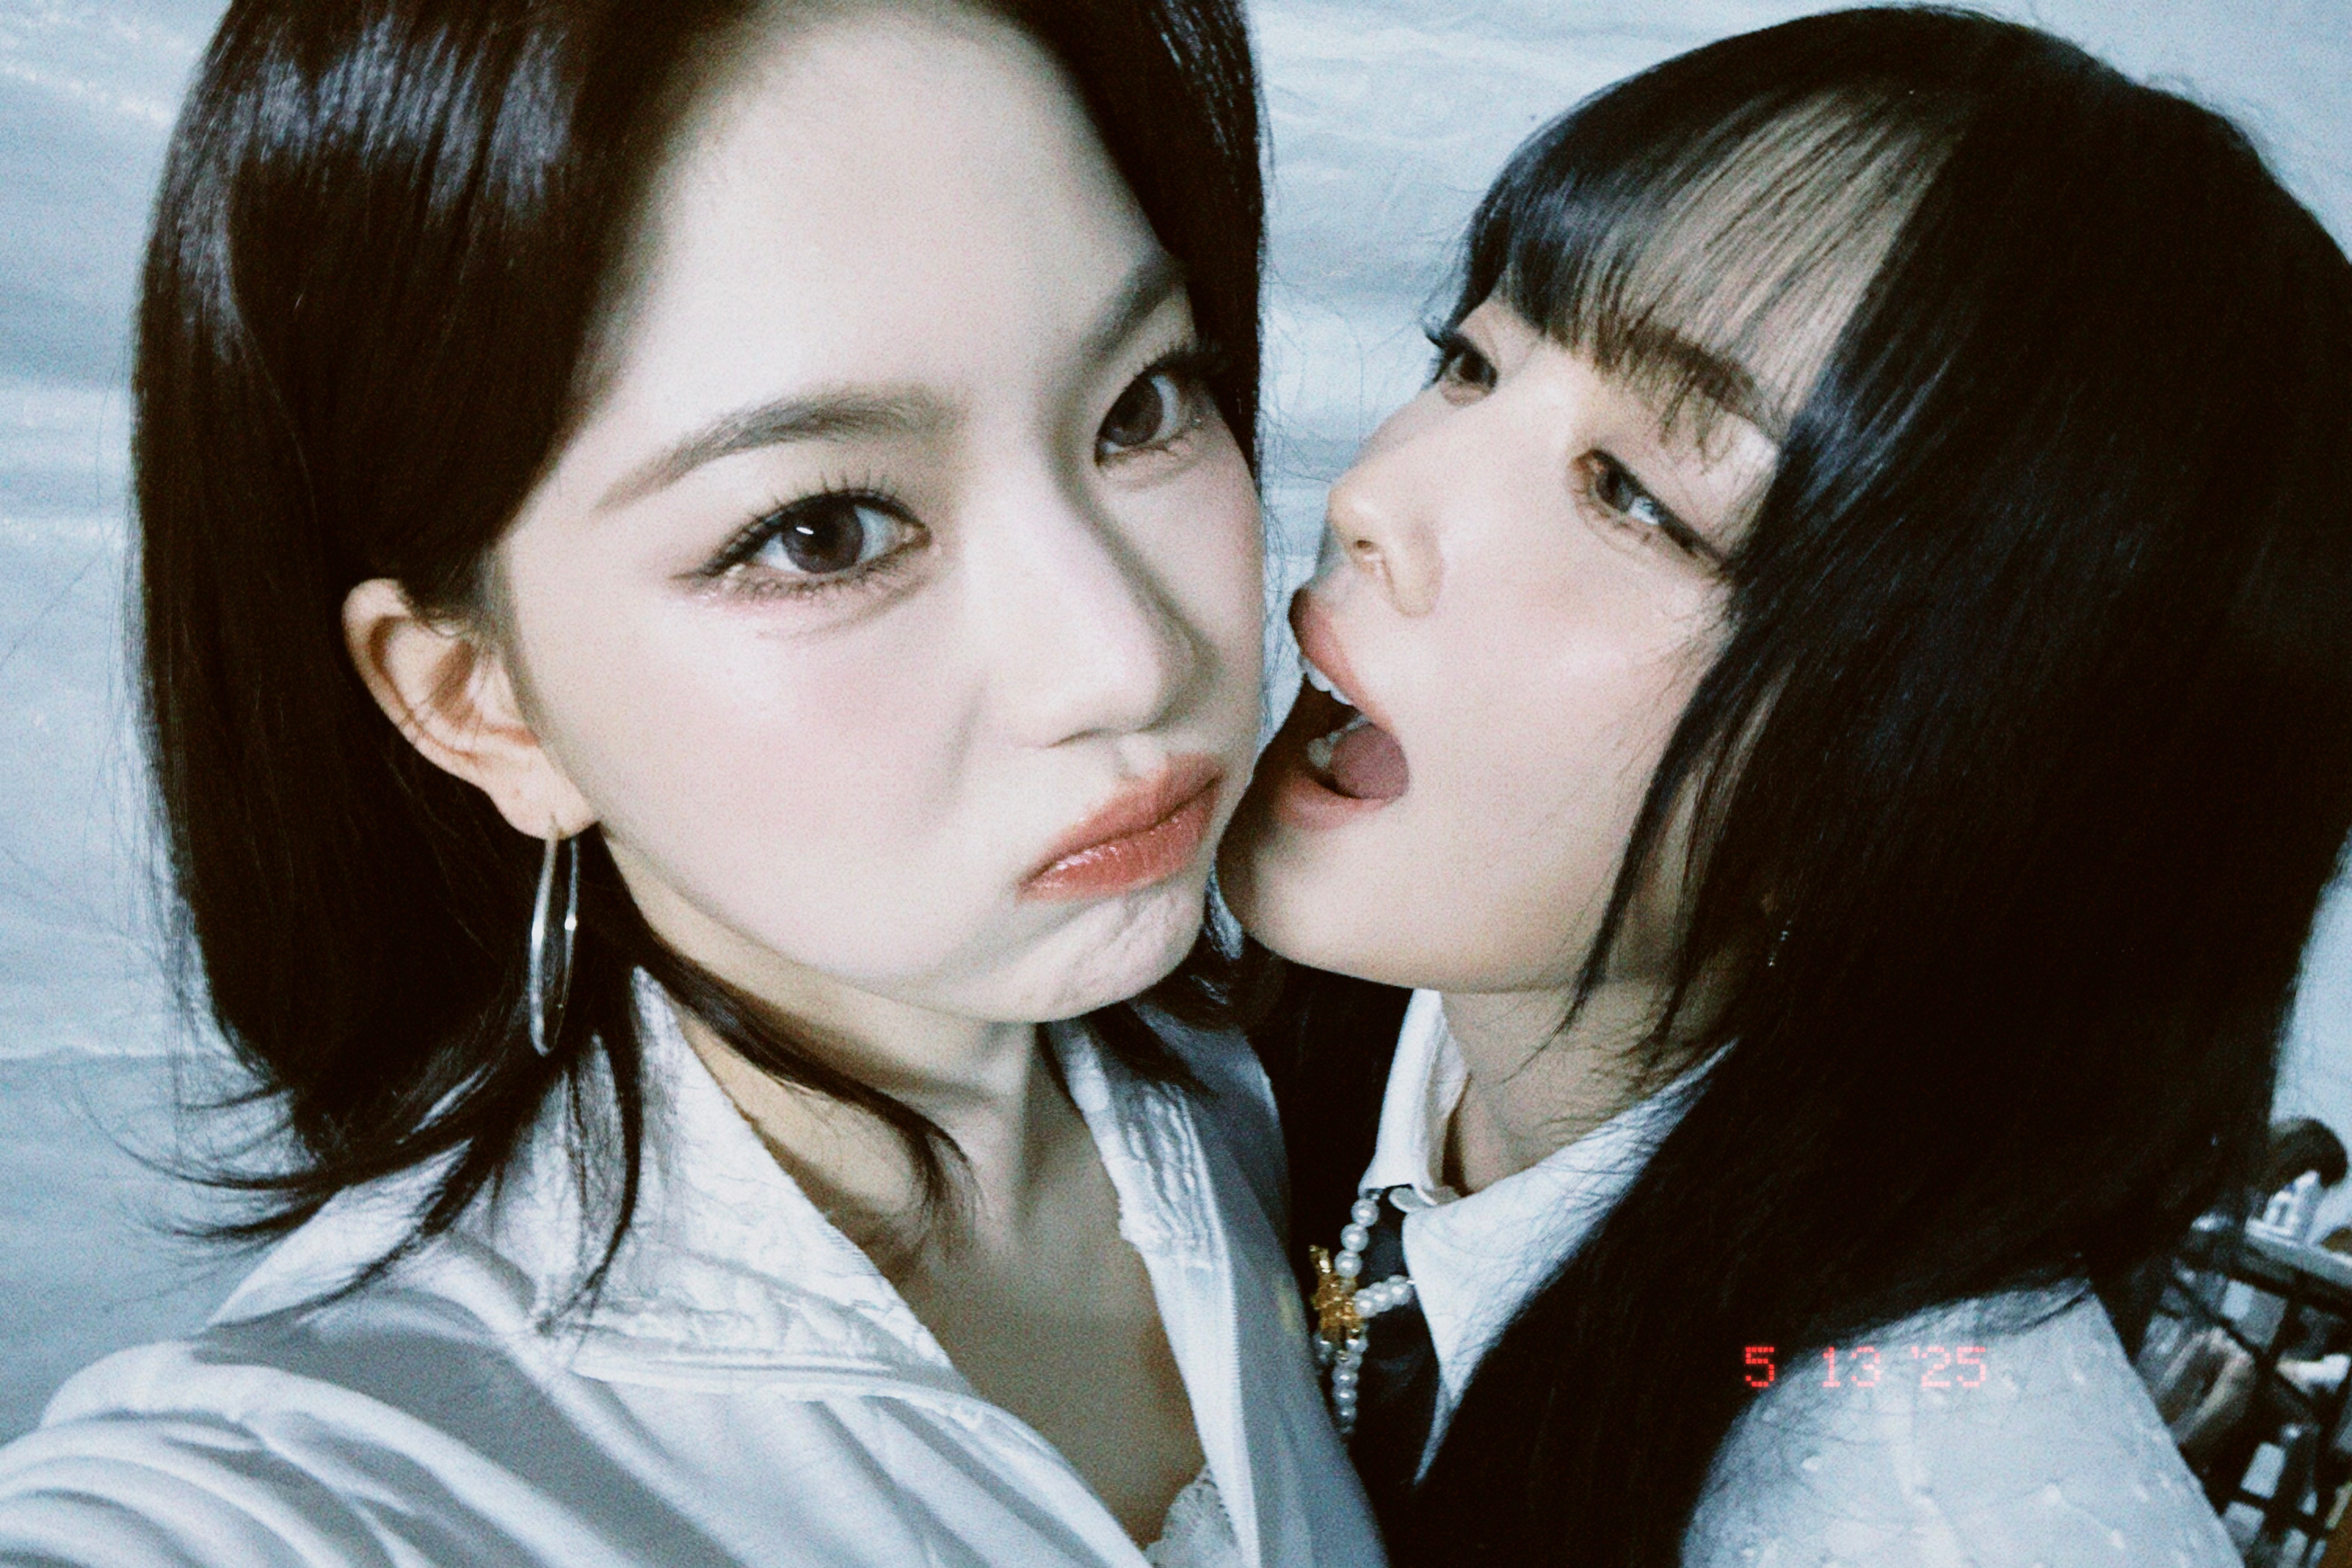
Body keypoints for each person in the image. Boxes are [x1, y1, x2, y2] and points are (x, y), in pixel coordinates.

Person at [0, 1, 1383, 1564]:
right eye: (821, 533)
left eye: (1141, 405)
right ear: (481, 703)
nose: (1126, 661)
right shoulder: (330, 1480)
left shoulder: (1278, 1094)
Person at [1223, 8, 2352, 1565]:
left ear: (1936, 795)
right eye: (1474, 361)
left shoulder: (1908, 1519)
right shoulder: (1325, 1028)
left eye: (1636, 495)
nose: (1373, 492)